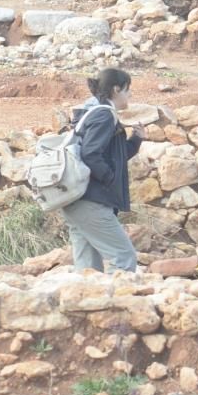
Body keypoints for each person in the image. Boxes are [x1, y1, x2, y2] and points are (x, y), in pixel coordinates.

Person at [62, 68, 143, 273]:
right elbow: (91, 154)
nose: (130, 95)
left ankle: (87, 302)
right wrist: (109, 178)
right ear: (116, 89)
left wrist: (136, 139)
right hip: (92, 200)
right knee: (124, 257)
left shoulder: (91, 113)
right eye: (127, 89)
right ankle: (117, 304)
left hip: (76, 200)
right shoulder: (105, 116)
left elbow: (113, 155)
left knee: (88, 268)